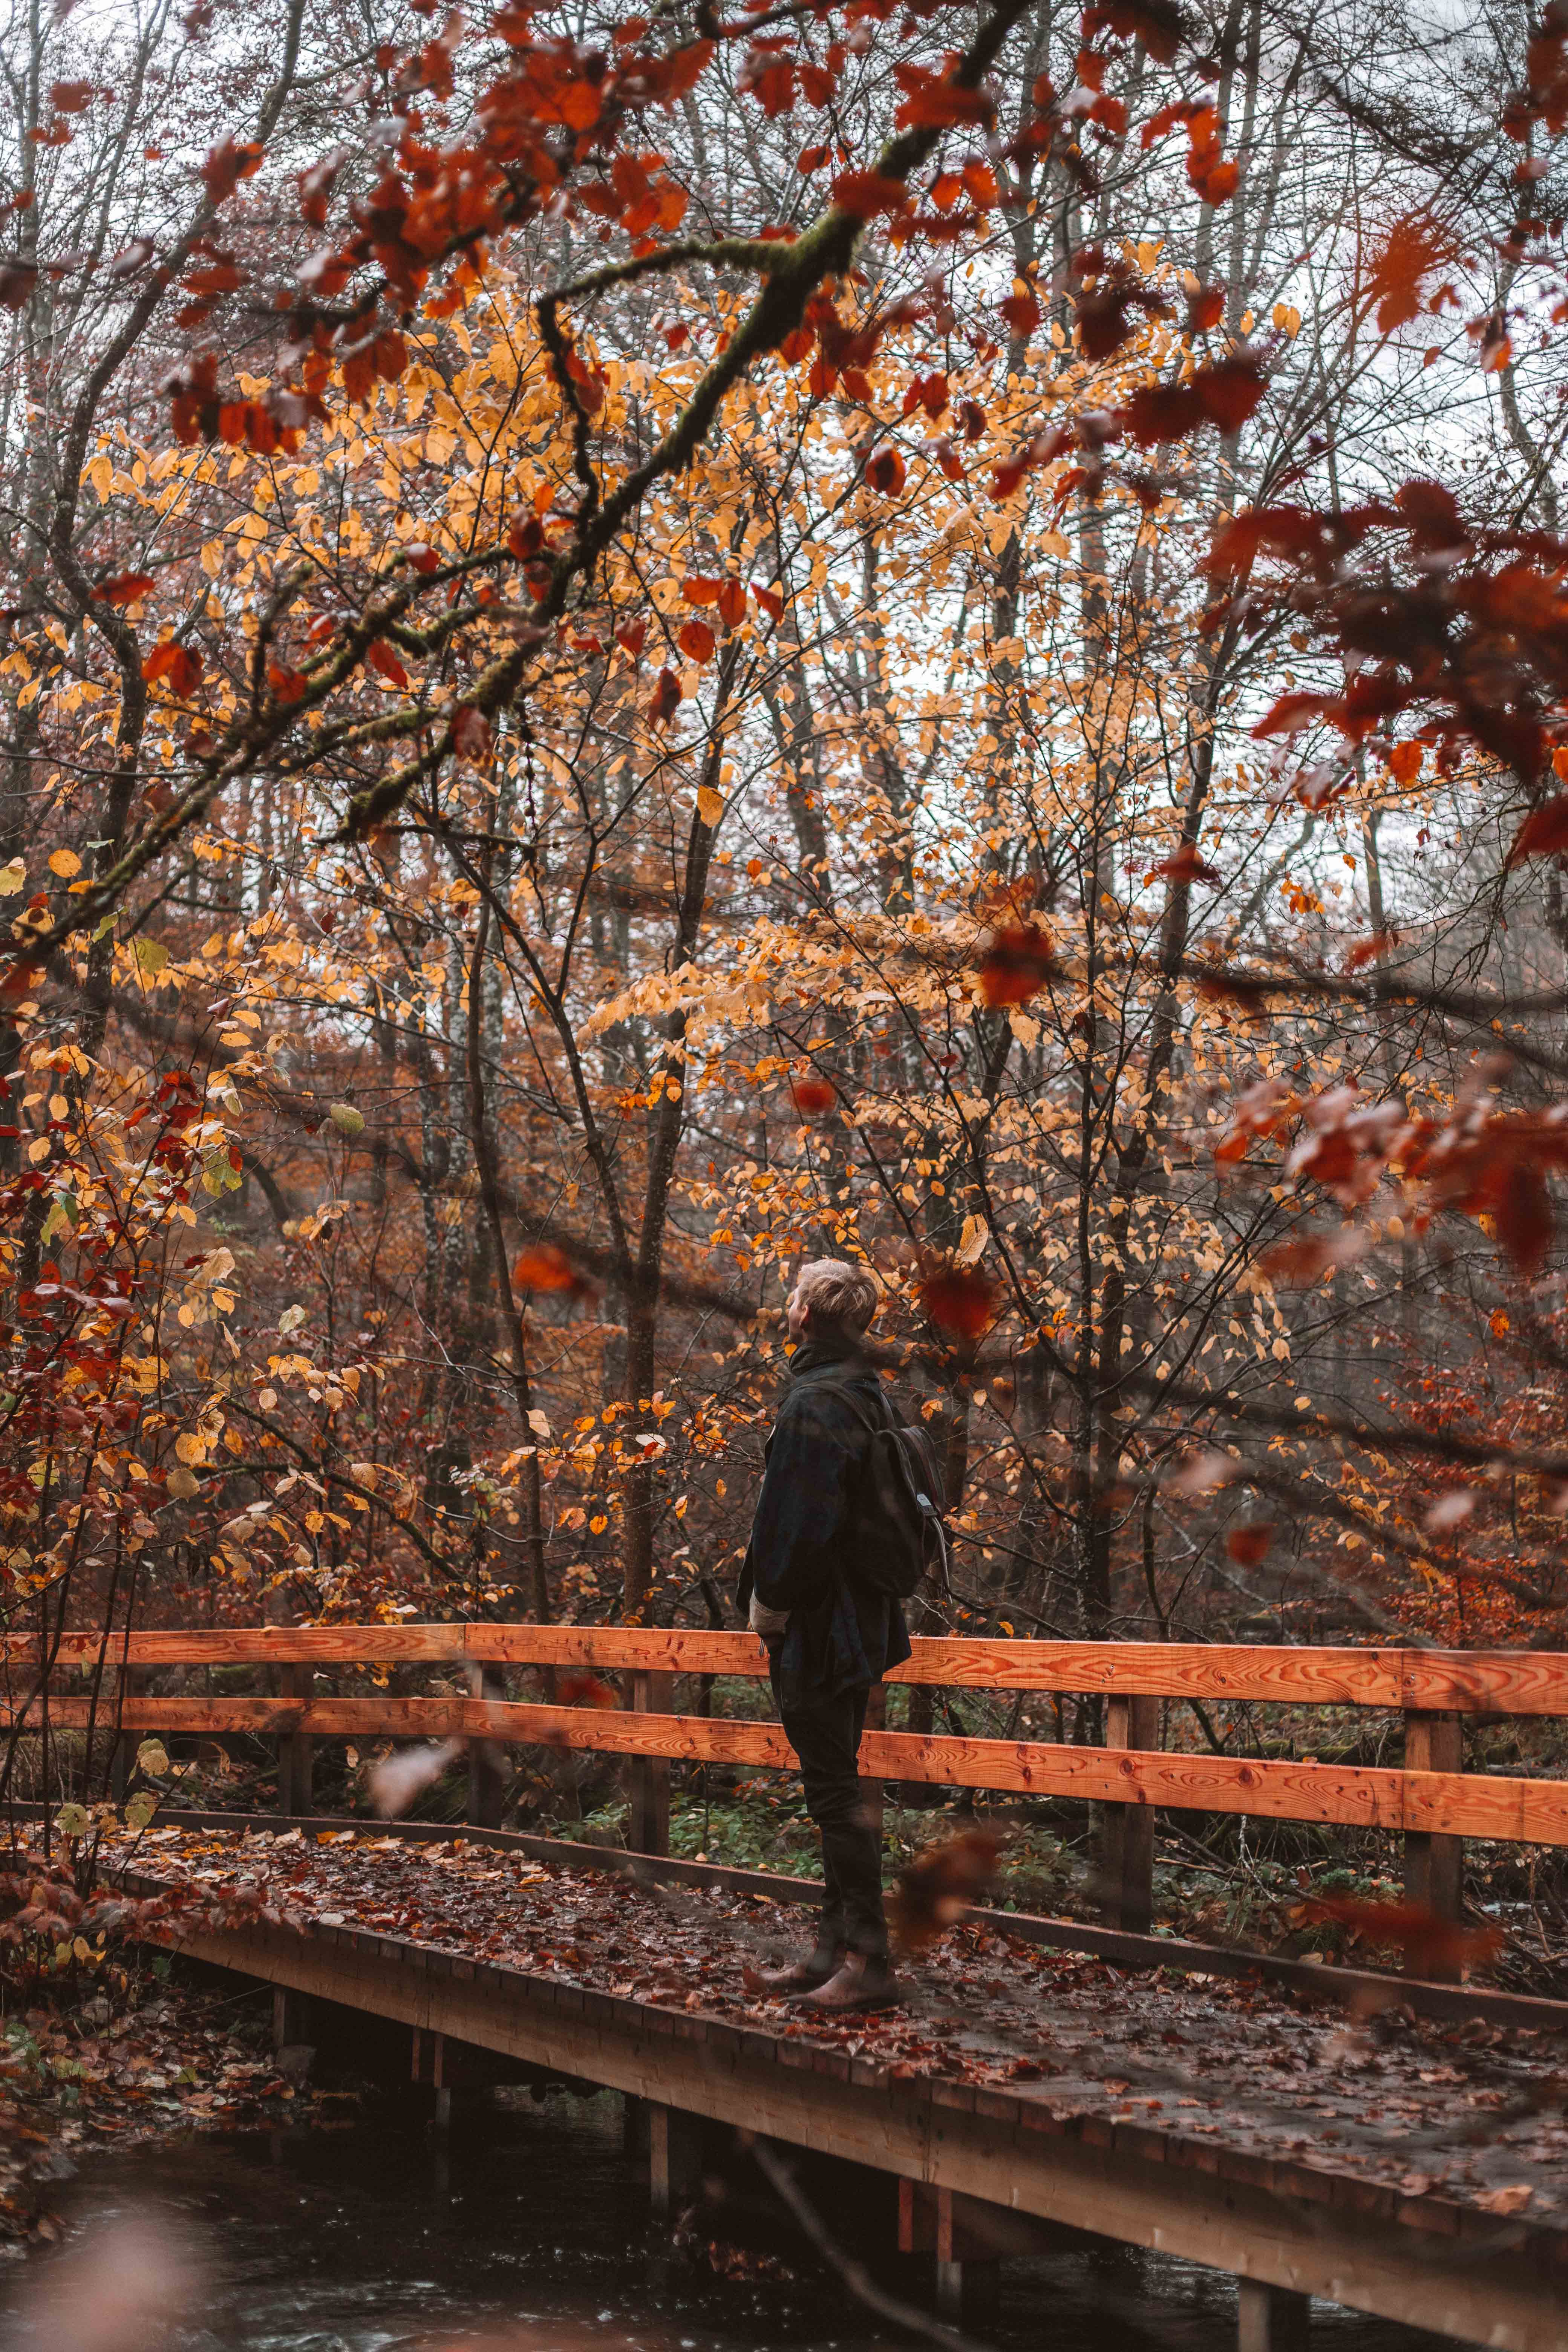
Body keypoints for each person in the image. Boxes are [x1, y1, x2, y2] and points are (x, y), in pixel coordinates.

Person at [737, 1257, 911, 2011]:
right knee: (834, 1784)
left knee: (835, 1793)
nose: (788, 1307)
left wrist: (769, 1608)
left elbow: (794, 1526)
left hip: (821, 1623)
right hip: (863, 1615)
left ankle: (867, 1965)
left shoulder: (816, 1401)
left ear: (807, 1314)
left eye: (794, 1297)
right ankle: (829, 1951)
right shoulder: (867, 1392)